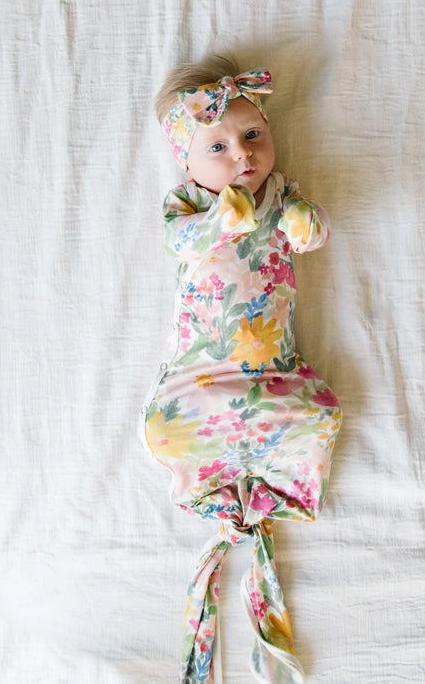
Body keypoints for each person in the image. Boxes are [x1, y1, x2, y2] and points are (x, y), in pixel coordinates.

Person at [141, 55, 342, 684]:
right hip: (199, 376)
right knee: (166, 429)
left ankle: (265, 499)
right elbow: (178, 242)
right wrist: (216, 222)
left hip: (274, 371)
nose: (243, 155)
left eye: (253, 134)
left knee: (320, 412)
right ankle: (225, 505)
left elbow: (313, 232)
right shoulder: (186, 203)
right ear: (187, 163)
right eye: (219, 146)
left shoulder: (281, 195)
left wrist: (305, 222)